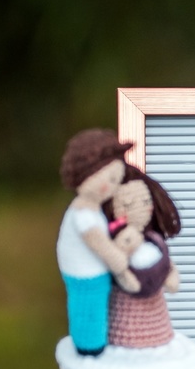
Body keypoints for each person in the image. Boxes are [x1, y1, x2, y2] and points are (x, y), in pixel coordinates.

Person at [56, 129, 140, 356]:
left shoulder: (90, 209)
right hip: (85, 273)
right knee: (89, 308)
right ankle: (89, 347)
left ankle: (93, 342)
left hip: (87, 270)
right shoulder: (84, 213)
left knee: (93, 305)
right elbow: (99, 243)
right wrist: (118, 261)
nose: (114, 186)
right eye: (111, 179)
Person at [106, 167, 183, 348]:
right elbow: (118, 266)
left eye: (146, 201)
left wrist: (170, 275)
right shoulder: (121, 242)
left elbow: (167, 264)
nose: (142, 208)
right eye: (130, 204)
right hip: (126, 318)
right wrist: (125, 277)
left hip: (157, 319)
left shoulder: (154, 241)